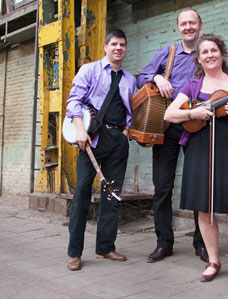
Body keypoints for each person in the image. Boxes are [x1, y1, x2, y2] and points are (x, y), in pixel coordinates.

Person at [164, 34, 228, 297]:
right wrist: (192, 113)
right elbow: (169, 114)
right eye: (204, 52)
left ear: (222, 53)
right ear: (199, 57)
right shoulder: (193, 85)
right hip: (199, 148)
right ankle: (214, 260)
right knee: (204, 211)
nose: (209, 55)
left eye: (213, 50)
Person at [137, 8, 208, 263]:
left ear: (200, 25)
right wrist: (157, 76)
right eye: (183, 23)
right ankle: (164, 243)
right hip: (167, 125)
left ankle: (202, 243)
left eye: (192, 23)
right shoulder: (167, 53)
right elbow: (141, 78)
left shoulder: (207, 51)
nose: (188, 27)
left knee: (201, 184)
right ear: (178, 28)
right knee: (163, 186)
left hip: (198, 124)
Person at [66, 29, 136, 271]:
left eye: (122, 45)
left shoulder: (129, 79)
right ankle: (74, 253)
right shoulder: (90, 70)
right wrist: (80, 131)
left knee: (112, 194)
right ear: (106, 47)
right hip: (91, 138)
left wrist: (126, 132)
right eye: (114, 44)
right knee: (82, 194)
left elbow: (132, 109)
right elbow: (73, 101)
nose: (118, 48)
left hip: (118, 140)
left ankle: (105, 247)